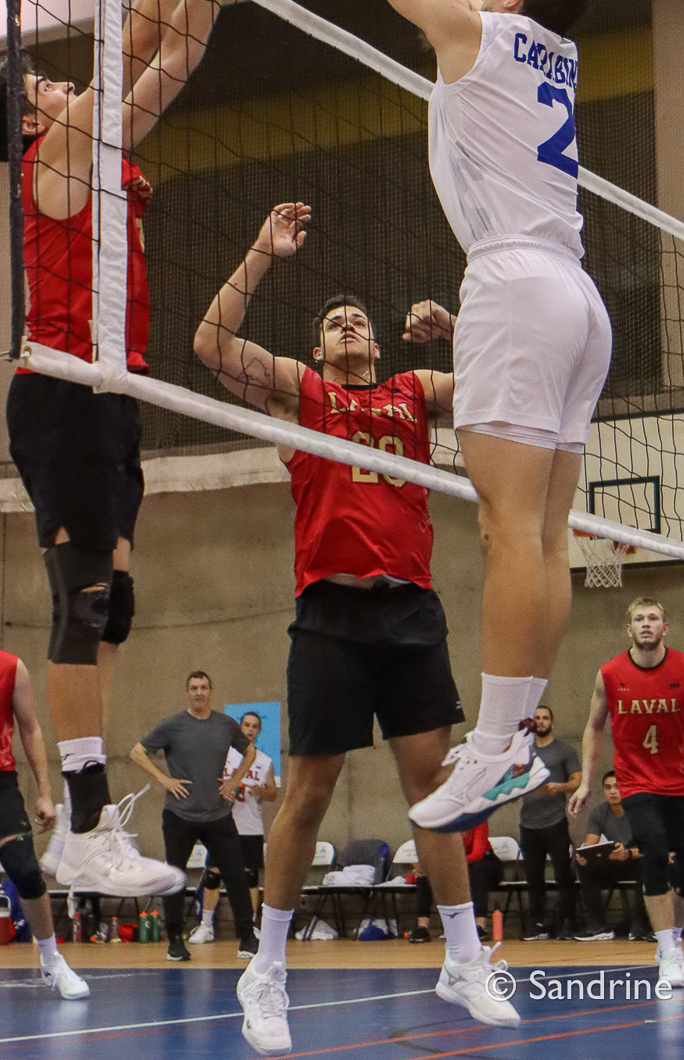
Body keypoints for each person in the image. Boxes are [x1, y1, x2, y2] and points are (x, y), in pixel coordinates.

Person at [270, 0, 611, 833]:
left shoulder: (478, 33)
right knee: (544, 534)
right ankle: (512, 737)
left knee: (508, 530)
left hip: (513, 284)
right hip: (578, 299)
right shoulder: (544, 52)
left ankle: (499, 745)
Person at [6, 0, 276, 899]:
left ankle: (89, 820)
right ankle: (79, 827)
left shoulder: (105, 149)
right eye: (46, 81)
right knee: (80, 599)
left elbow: (180, 49)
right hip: (63, 387)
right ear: (31, 115)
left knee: (111, 605)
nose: (63, 80)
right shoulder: (54, 156)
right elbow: (129, 45)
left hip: (112, 396)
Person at [192, 203, 517, 1053]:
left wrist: (460, 329)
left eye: (359, 320)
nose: (347, 324)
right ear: (319, 347)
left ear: (378, 344)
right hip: (330, 616)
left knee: (434, 792)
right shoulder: (300, 393)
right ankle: (267, 971)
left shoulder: (416, 392)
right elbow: (210, 345)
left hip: (410, 609)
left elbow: (506, 382)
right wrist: (262, 250)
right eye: (333, 320)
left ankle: (464, 960)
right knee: (309, 793)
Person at [569, 597, 684, 988]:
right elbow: (593, 727)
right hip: (637, 782)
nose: (646, 624)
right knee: (654, 851)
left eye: (653, 618)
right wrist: (586, 781)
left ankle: (672, 942)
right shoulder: (609, 674)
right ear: (628, 629)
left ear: (665, 627)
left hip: (683, 783)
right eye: (638, 619)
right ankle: (668, 953)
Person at [131, 670, 259, 961]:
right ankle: (176, 940)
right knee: (175, 877)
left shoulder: (225, 725)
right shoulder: (173, 725)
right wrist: (164, 780)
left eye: (203, 687)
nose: (199, 692)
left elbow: (249, 752)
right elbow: (137, 752)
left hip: (218, 814)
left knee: (236, 875)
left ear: (210, 691)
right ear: (187, 692)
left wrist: (234, 781)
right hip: (180, 815)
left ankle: (247, 938)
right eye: (194, 688)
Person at [0, 645, 89, 999]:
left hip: (1, 784)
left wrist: (44, 792)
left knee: (25, 869)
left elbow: (31, 729)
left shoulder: (11, 668)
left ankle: (52, 959)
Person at [193, 709, 277, 940]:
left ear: (258, 731)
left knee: (250, 877)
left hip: (250, 826)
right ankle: (206, 925)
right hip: (223, 823)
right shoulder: (225, 755)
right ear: (240, 728)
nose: (250, 730)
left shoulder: (264, 761)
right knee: (214, 874)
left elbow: (272, 793)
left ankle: (249, 926)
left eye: (254, 726)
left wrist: (261, 790)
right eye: (246, 725)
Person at [518, 705, 582, 939]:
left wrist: (560, 787)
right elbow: (511, 780)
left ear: (552, 723)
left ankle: (567, 921)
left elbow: (577, 780)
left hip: (555, 822)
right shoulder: (523, 752)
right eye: (537, 718)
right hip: (528, 824)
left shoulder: (564, 750)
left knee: (563, 874)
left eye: (545, 718)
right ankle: (536, 923)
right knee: (533, 877)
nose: (541, 721)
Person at [572, 769, 645, 940]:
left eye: (617, 787)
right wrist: (584, 855)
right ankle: (598, 926)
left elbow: (652, 848)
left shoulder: (640, 812)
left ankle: (640, 924)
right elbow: (591, 843)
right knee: (583, 866)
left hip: (636, 859)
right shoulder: (598, 813)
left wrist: (628, 853)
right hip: (613, 860)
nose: (612, 791)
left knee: (649, 865)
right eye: (608, 787)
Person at [411, 822, 505, 943]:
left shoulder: (477, 819)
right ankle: (422, 927)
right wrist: (426, 866)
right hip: (454, 864)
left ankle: (480, 925)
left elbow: (477, 854)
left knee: (479, 869)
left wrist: (450, 865)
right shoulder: (440, 823)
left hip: (484, 861)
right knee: (426, 873)